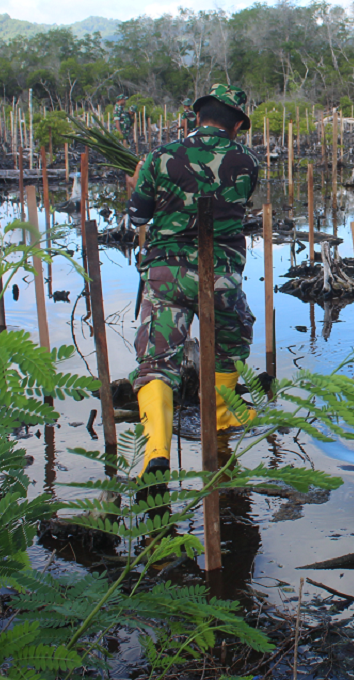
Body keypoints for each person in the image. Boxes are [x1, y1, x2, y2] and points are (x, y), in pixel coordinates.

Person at [125, 84, 261, 477]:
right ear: (236, 124)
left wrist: (137, 184)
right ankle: (220, 415)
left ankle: (155, 451)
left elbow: (136, 220)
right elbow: (237, 205)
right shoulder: (248, 161)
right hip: (220, 274)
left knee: (156, 359)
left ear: (197, 117)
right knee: (230, 340)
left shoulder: (158, 157)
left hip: (166, 272)